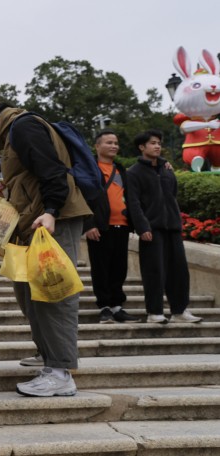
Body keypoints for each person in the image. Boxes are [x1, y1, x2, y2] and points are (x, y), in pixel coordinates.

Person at [0, 106, 93, 396]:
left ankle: (61, 372)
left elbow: (52, 169)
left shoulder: (23, 127)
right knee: (34, 295)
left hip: (50, 221)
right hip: (33, 222)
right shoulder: (14, 133)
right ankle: (52, 365)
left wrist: (51, 210)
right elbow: (29, 178)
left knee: (54, 293)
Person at [126, 129, 203, 325]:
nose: (157, 146)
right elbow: (133, 203)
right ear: (142, 147)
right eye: (152, 143)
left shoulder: (167, 169)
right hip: (152, 229)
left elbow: (173, 195)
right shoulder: (133, 172)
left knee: (179, 271)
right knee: (154, 271)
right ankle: (154, 312)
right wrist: (143, 227)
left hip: (173, 227)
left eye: (159, 142)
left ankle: (179, 310)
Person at [85, 130, 139, 324]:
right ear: (97, 146)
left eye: (116, 142)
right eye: (109, 142)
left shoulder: (121, 169)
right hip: (100, 227)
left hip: (122, 226)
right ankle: (104, 307)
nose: (114, 146)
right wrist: (88, 224)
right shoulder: (90, 168)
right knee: (101, 268)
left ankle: (117, 306)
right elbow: (83, 197)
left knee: (119, 268)